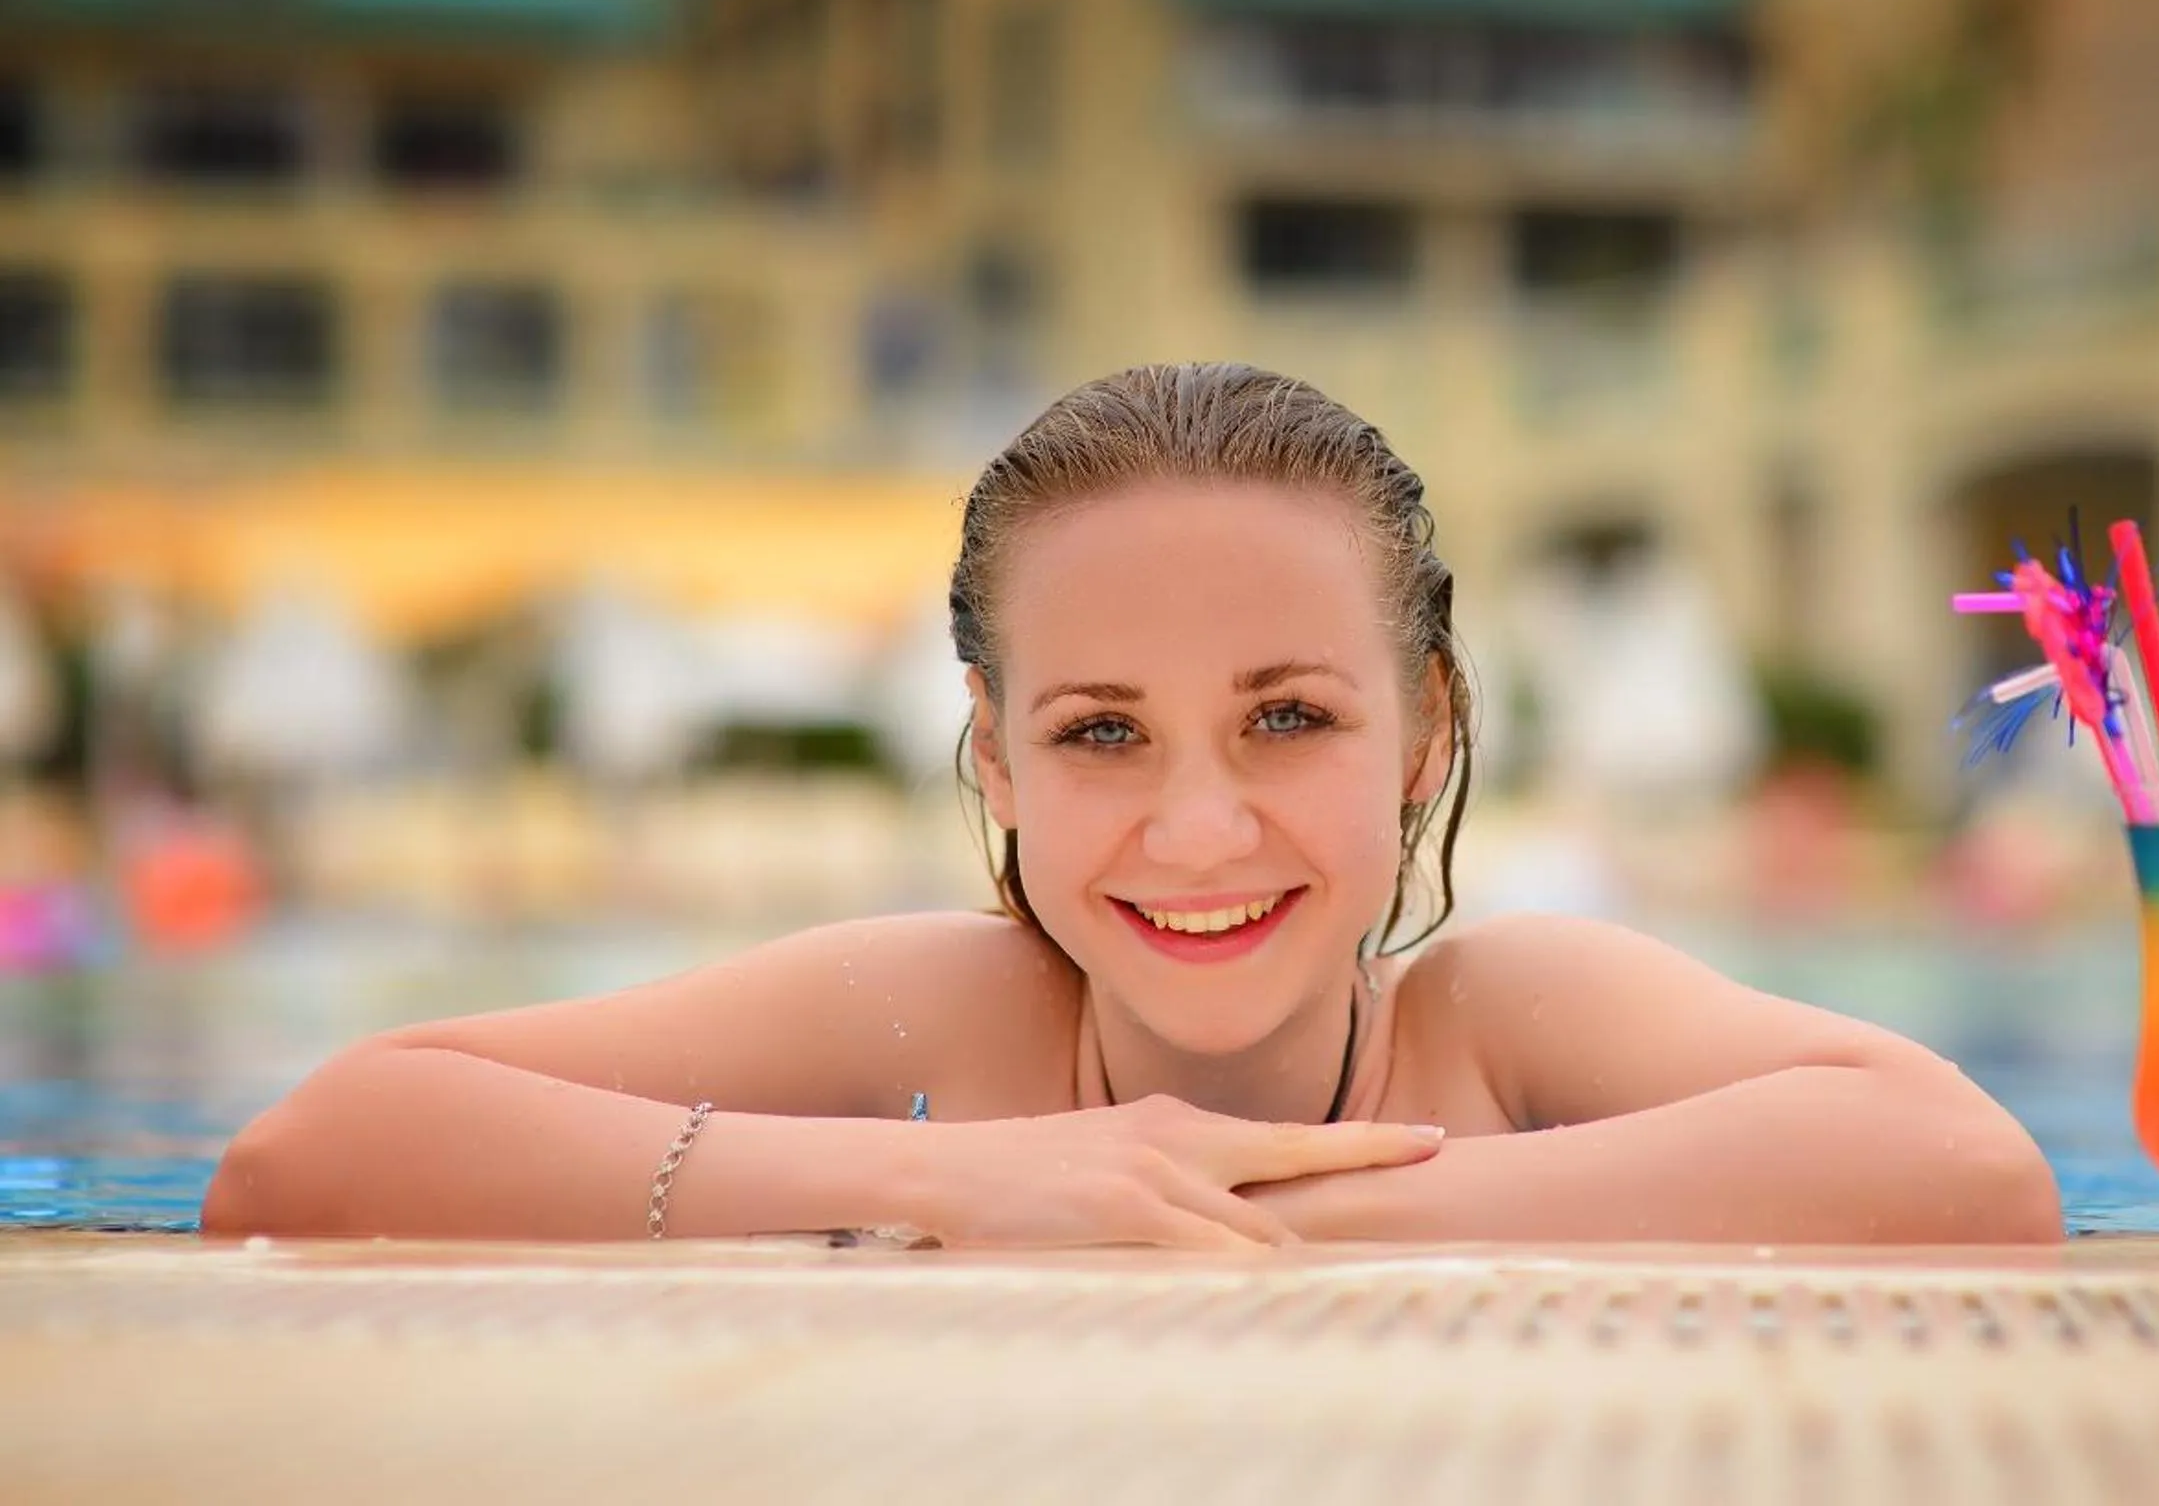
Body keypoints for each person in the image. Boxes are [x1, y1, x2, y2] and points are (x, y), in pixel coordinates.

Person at [203, 365, 2059, 1248]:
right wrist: (942, 1177)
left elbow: (1974, 1176)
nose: (1195, 831)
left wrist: (1249, 1210)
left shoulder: (1505, 1021)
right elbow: (302, 1158)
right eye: (1101, 734)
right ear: (994, 758)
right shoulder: (931, 1020)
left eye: (1288, 719)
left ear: (1424, 733)